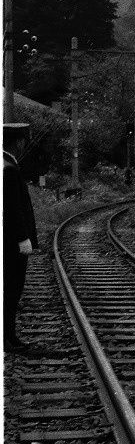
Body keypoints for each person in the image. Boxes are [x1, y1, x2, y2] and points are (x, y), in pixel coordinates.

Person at [4, 122, 38, 353]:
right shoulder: (8, 169)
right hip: (9, 243)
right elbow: (12, 208)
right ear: (17, 142)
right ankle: (8, 338)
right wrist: (22, 238)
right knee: (11, 288)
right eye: (23, 140)